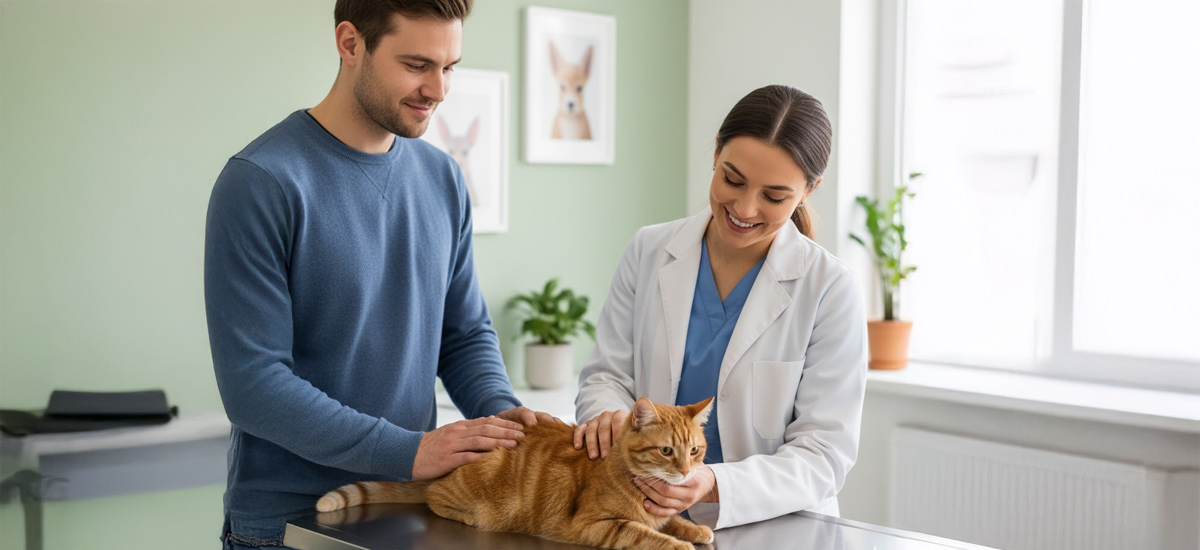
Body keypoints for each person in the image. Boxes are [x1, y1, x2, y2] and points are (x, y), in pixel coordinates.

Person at [204, 1, 553, 548]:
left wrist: (505, 420)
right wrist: (410, 450)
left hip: (409, 508)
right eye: (417, 65)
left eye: (450, 67)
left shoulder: (443, 178)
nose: (438, 90)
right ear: (350, 44)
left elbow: (462, 336)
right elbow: (254, 386)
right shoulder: (262, 182)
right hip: (289, 526)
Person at [573, 85, 868, 530]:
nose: (744, 208)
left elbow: (824, 454)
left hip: (774, 528)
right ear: (715, 152)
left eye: (774, 197)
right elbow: (607, 376)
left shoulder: (830, 288)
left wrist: (715, 484)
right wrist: (611, 418)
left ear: (809, 190)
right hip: (637, 516)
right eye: (732, 179)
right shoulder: (650, 249)